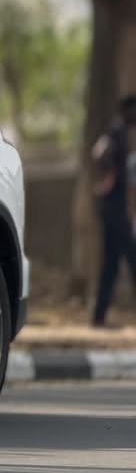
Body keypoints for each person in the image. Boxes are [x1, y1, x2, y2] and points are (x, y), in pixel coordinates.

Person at [90, 93, 136, 327]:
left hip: (112, 210)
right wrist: (109, 177)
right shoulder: (118, 132)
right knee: (129, 259)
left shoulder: (114, 131)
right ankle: (98, 315)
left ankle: (99, 315)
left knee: (111, 264)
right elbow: (101, 153)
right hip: (115, 210)